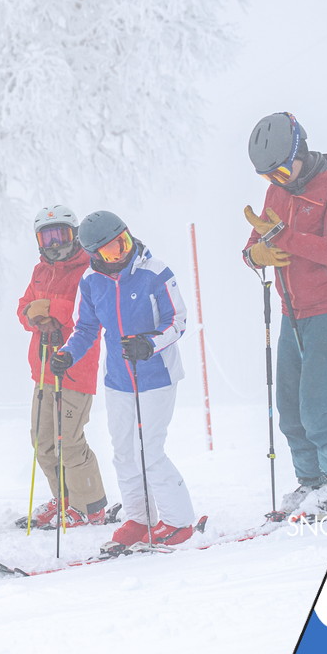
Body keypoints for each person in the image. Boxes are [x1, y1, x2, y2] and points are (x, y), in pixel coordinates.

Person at [243, 112, 327, 516]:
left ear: (301, 149)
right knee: (291, 406)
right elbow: (257, 239)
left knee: (318, 403)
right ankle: (312, 482)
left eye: (280, 170)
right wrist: (254, 254)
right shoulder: (278, 191)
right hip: (292, 311)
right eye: (267, 176)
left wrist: (283, 237)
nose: (276, 180)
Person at [51, 211, 196, 547]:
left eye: (124, 243)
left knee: (149, 451)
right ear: (95, 254)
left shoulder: (155, 272)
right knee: (124, 453)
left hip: (156, 375)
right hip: (118, 379)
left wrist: (149, 344)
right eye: (111, 251)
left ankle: (179, 521)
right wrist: (68, 353)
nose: (121, 253)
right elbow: (86, 328)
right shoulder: (91, 281)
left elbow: (178, 321)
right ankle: (139, 519)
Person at [15, 205, 110, 529]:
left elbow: (88, 312)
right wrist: (32, 314)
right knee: (42, 442)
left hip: (74, 368)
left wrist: (53, 308)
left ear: (76, 234)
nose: (56, 243)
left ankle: (90, 506)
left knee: (68, 441)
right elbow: (23, 307)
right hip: (42, 368)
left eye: (63, 235)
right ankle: (65, 499)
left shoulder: (89, 269)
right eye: (48, 237)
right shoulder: (41, 271)